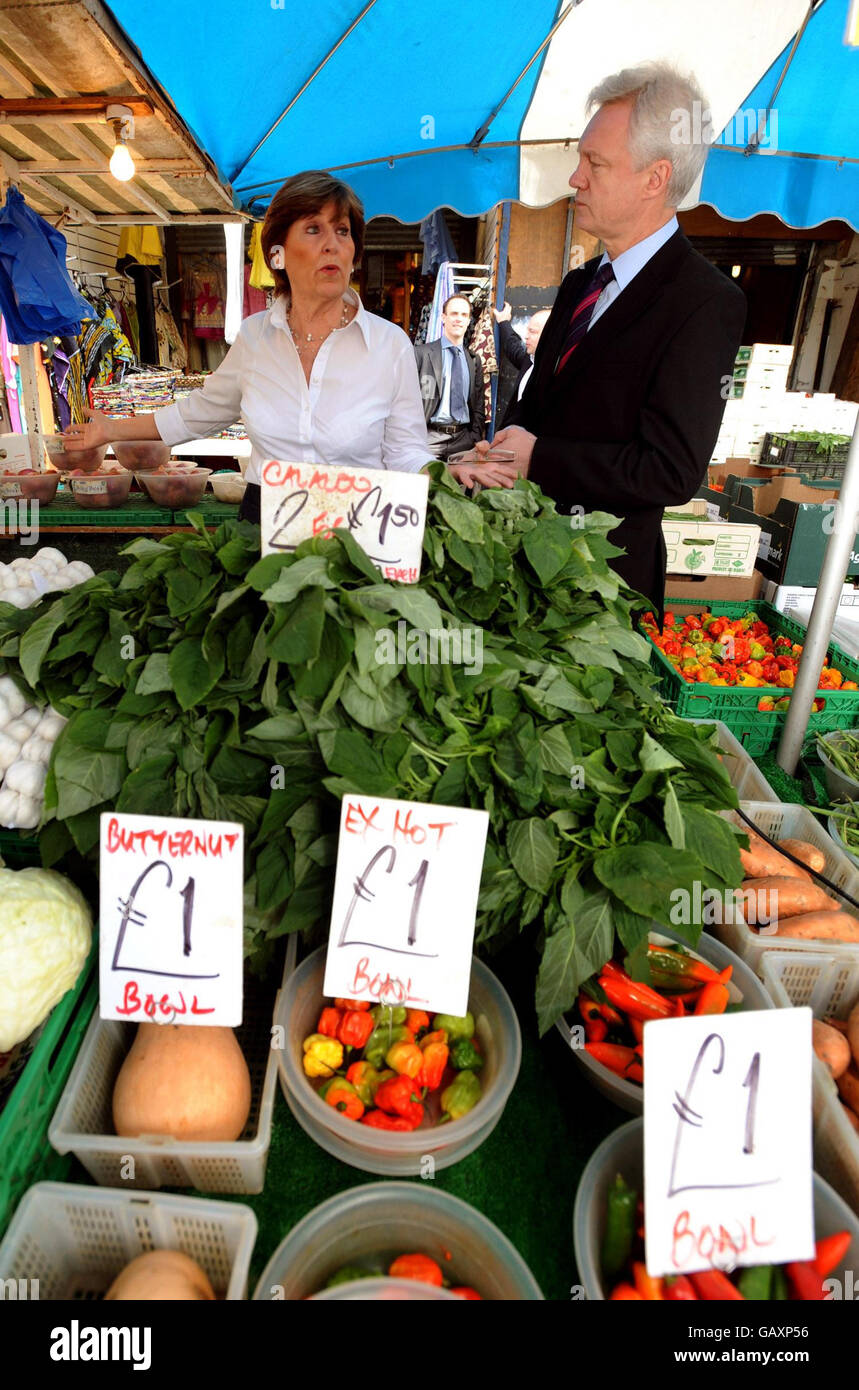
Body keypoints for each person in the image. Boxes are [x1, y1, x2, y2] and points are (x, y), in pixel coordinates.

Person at [477, 62, 746, 613]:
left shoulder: (705, 301)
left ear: (655, 178)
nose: (576, 178)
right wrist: (500, 453)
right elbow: (536, 409)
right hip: (524, 572)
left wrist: (540, 458)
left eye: (594, 162)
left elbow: (670, 471)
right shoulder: (582, 281)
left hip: (603, 597)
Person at [60, 171, 434, 522]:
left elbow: (405, 451)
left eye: (343, 231)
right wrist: (111, 430)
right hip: (265, 522)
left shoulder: (389, 345)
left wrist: (445, 474)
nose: (332, 245)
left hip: (360, 520)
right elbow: (200, 412)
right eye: (314, 229)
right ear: (277, 254)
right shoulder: (255, 337)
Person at [414, 295, 485, 461]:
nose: (458, 319)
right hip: (428, 439)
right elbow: (406, 399)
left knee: (459, 487)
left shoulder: (474, 360)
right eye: (454, 314)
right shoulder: (421, 354)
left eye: (464, 315)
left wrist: (474, 437)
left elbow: (479, 404)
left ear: (469, 321)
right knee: (424, 486)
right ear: (443, 318)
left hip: (463, 440)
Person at [491, 302, 551, 425]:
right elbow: (512, 346)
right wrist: (503, 322)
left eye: (532, 332)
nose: (526, 336)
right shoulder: (529, 360)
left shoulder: (555, 372)